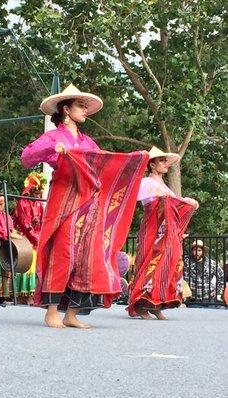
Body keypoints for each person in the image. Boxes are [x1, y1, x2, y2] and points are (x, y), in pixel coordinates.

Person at [21, 83, 149, 328]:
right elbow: (26, 157)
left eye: (86, 106)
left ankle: (72, 313)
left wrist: (135, 159)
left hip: (88, 204)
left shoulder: (88, 142)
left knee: (86, 256)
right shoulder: (53, 136)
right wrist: (53, 147)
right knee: (63, 252)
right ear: (66, 110)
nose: (86, 110)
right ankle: (51, 312)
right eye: (81, 105)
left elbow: (104, 164)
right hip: (64, 199)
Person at [127, 146, 199, 320]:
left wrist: (187, 202)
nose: (165, 164)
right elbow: (133, 198)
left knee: (166, 265)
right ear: (152, 165)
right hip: (152, 228)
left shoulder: (165, 187)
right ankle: (140, 303)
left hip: (166, 233)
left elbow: (174, 205)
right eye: (161, 160)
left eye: (166, 160)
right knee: (148, 263)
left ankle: (156, 303)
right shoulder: (145, 183)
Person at [13, 172, 46, 303]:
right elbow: (25, 223)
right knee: (27, 264)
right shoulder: (23, 202)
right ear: (31, 190)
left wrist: (41, 236)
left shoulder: (39, 203)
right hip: (24, 238)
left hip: (37, 238)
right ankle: (22, 294)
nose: (39, 195)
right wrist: (36, 238)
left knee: (36, 266)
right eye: (37, 192)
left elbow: (43, 221)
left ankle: (33, 294)